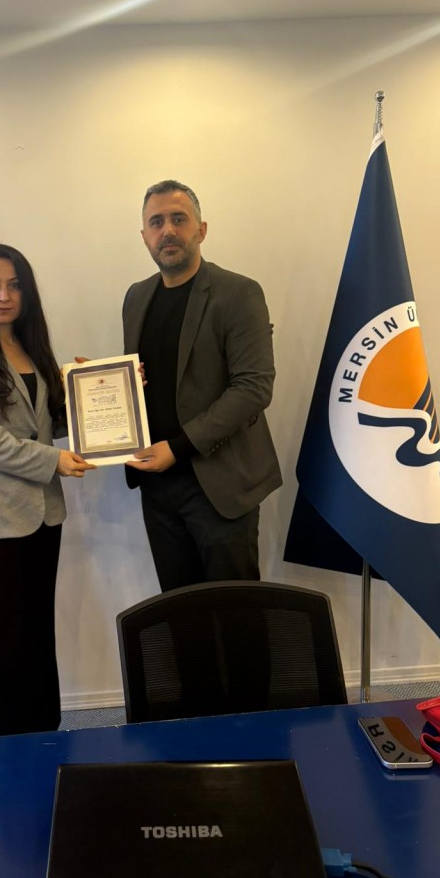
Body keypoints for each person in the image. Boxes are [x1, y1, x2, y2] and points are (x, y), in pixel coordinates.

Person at [0, 244, 94, 737]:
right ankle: (2, 744)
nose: (4, 295)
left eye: (14, 285)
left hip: (44, 514)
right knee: (5, 636)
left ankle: (43, 733)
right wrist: (51, 461)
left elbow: (50, 424)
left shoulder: (34, 349)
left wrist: (102, 389)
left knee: (37, 630)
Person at [123, 180, 282, 591]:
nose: (167, 231)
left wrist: (177, 449)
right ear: (144, 236)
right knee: (178, 611)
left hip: (220, 486)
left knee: (234, 613)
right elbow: (146, 379)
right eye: (156, 222)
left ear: (201, 230)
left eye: (179, 219)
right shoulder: (136, 297)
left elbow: (253, 387)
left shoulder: (239, 293)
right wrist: (110, 382)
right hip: (158, 488)